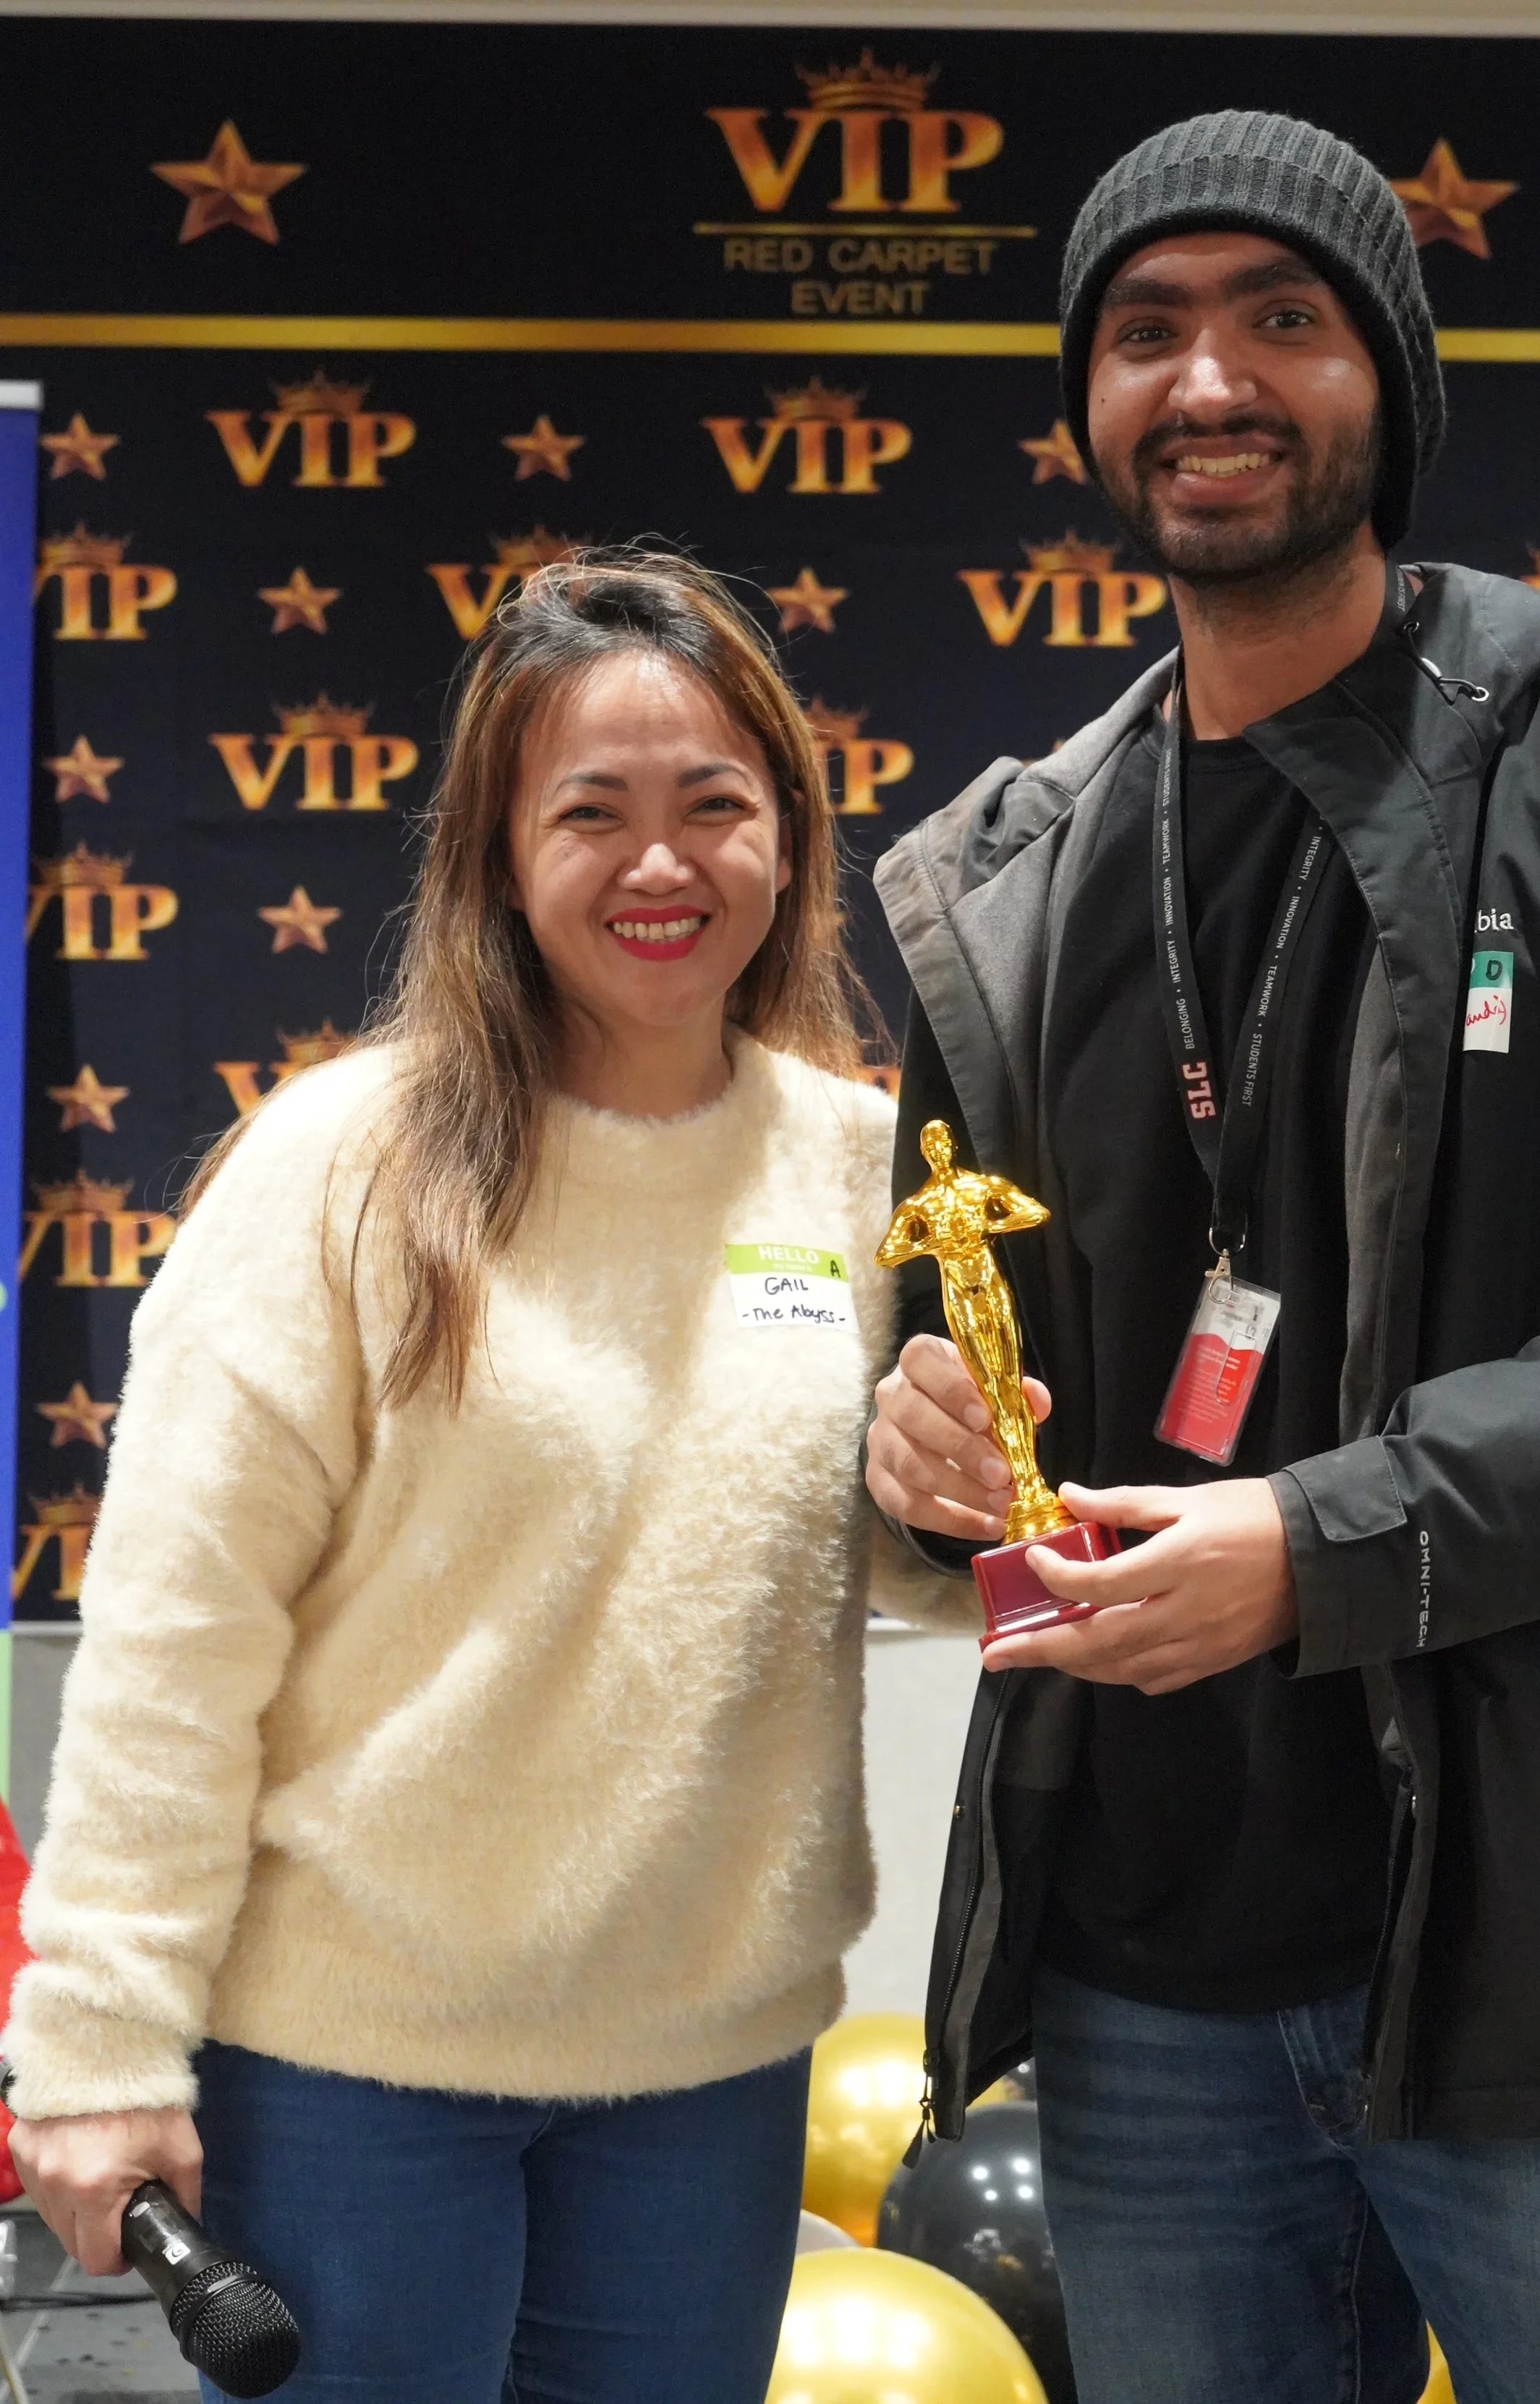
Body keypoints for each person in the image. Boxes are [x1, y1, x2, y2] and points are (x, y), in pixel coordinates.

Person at [865, 109, 1540, 2404]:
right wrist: (911, 1418)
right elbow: (954, 1308)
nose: (1208, 382)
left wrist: (1318, 1543)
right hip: (1138, 1975)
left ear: (1386, 377)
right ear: (1085, 405)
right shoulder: (1011, 870)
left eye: (1279, 320)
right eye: (1147, 331)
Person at [4, 548, 960, 2404]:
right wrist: (99, 2041)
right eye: (589, 811)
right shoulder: (343, 1169)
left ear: (790, 838)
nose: (659, 862)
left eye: (713, 805)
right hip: (357, 2071)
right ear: (498, 854)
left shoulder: (864, 1174)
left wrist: (961, 1518)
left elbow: (879, 1562)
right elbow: (173, 1643)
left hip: (707, 2068)